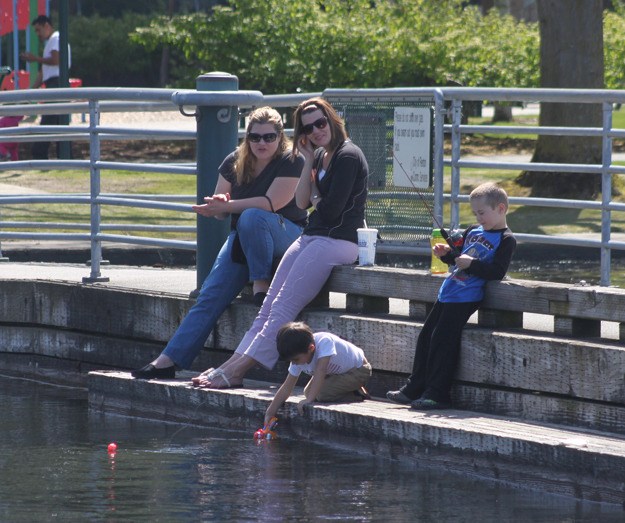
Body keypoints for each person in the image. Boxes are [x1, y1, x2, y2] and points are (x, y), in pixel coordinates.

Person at [194, 97, 369, 389]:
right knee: (267, 308)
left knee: (282, 309)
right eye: (308, 127)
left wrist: (316, 197)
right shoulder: (321, 156)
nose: (316, 131)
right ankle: (230, 365)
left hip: (338, 241)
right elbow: (303, 202)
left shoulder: (348, 156)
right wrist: (309, 161)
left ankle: (238, 371)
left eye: (320, 123)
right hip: (313, 237)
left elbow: (329, 210)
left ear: (332, 120)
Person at [131, 106, 307, 379]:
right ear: (246, 137)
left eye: (269, 137)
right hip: (246, 240)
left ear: (280, 136)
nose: (262, 143)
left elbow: (272, 204)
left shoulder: (291, 160)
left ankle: (260, 283)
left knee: (252, 216)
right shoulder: (234, 161)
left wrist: (232, 206)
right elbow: (221, 210)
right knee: (208, 295)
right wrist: (221, 206)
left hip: (288, 236)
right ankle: (169, 359)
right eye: (255, 137)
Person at [387, 182, 516, 410]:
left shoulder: (506, 239)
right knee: (426, 337)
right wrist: (447, 255)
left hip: (466, 297)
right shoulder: (472, 232)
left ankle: (438, 394)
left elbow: (497, 271)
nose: (478, 218)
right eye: (475, 213)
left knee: (442, 342)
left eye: (482, 213)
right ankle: (414, 387)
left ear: (501, 209)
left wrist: (472, 263)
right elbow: (459, 259)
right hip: (448, 291)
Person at [263, 322, 372, 425]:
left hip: (358, 371)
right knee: (308, 392)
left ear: (311, 348)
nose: (294, 363)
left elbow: (321, 371)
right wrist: (270, 412)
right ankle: (351, 389)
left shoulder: (324, 342)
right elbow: (287, 386)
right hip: (337, 374)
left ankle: (357, 394)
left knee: (320, 394)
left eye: (295, 360)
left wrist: (309, 400)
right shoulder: (298, 356)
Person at [20, 15, 71, 159]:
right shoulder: (52, 41)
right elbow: (43, 72)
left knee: (50, 119)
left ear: (47, 25)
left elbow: (56, 60)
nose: (38, 34)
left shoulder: (56, 38)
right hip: (54, 82)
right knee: (58, 120)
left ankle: (40, 154)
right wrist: (31, 91)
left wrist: (34, 58)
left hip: (56, 83)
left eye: (39, 30)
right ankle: (64, 155)